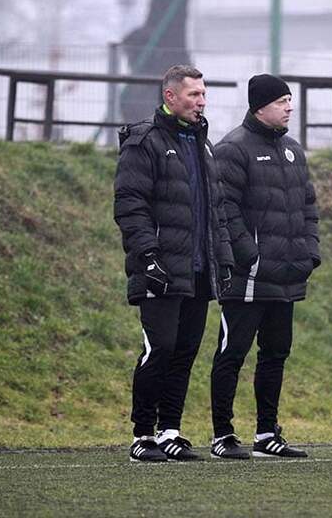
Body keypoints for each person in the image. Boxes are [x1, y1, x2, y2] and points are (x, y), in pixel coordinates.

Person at [114, 64, 234, 462]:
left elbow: (216, 211)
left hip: (198, 271)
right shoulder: (143, 141)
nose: (201, 102)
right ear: (170, 96)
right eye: (194, 95)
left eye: (203, 94)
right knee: (160, 349)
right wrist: (148, 257)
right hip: (160, 271)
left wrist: (223, 261)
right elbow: (130, 205)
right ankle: (143, 435)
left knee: (184, 353)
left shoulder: (203, 144)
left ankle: (170, 431)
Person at [210, 74, 321, 459]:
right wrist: (250, 256)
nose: (290, 107)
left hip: (287, 276)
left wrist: (309, 253)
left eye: (290, 100)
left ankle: (266, 434)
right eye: (281, 101)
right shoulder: (233, 149)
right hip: (248, 278)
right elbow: (224, 209)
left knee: (276, 354)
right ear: (260, 107)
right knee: (232, 354)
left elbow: (308, 207)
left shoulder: (293, 150)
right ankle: (223, 435)